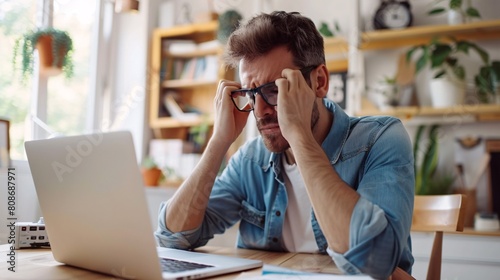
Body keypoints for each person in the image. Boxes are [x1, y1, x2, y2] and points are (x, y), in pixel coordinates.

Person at [155, 11, 415, 279]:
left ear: (320, 82)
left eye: (275, 89)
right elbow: (173, 238)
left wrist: (299, 136)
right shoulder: (252, 160)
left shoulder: (379, 140)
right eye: (251, 94)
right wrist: (218, 142)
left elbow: (375, 260)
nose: (260, 110)